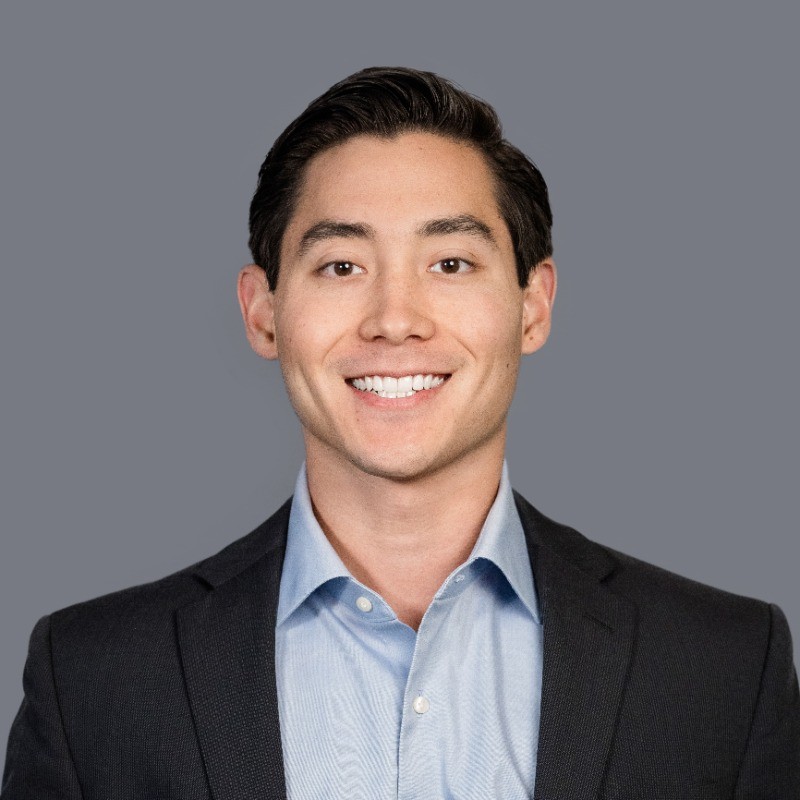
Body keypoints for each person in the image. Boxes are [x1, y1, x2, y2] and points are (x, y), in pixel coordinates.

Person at [2, 66, 798, 800]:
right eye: (341, 266)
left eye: (450, 264)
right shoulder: (93, 679)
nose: (394, 320)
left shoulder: (724, 668)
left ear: (533, 306)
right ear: (263, 311)